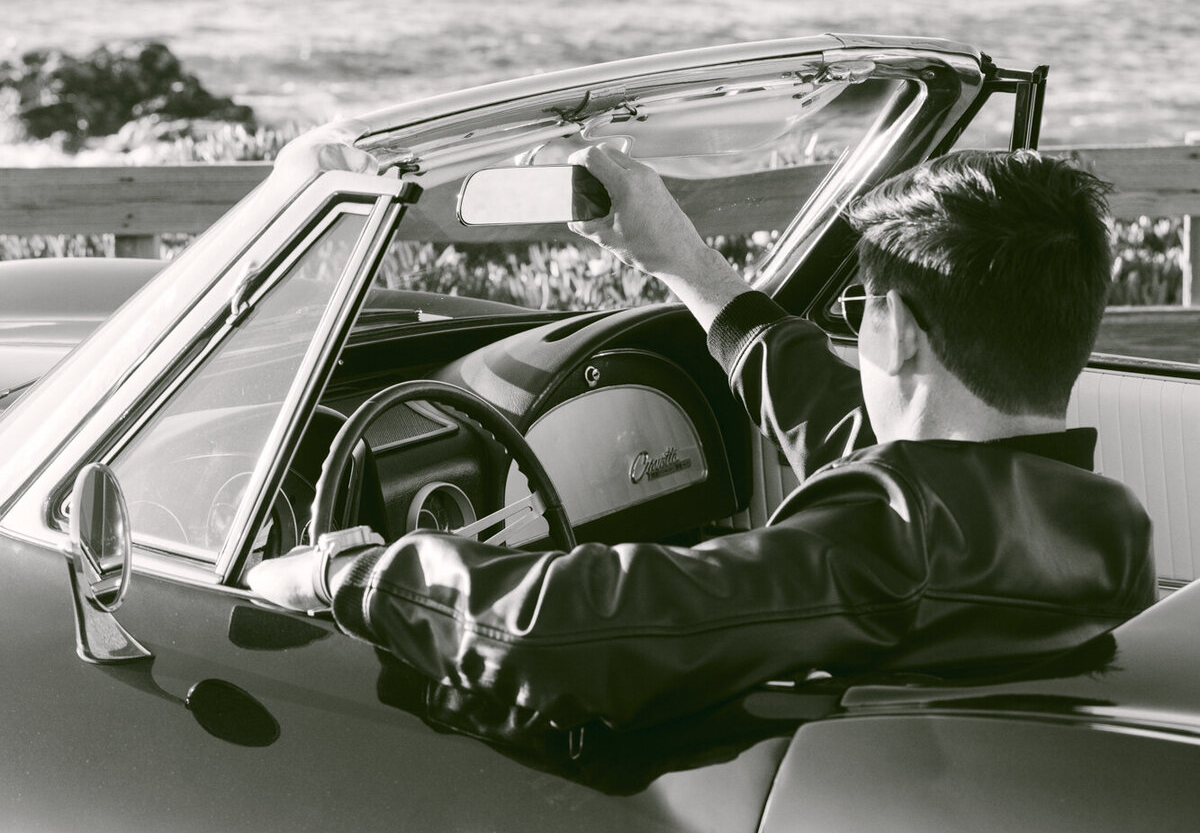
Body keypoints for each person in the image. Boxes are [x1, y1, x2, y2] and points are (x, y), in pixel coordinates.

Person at [247, 146, 1156, 731]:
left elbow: (581, 629)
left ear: (904, 333)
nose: (854, 341)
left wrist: (351, 573)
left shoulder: (892, 544)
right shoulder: (1103, 525)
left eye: (862, 319)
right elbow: (856, 424)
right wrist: (681, 262)